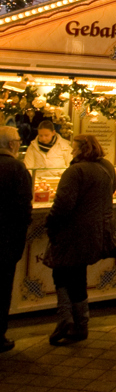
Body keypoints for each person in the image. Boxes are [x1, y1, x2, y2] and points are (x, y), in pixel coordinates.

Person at [44, 134, 116, 346]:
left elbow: (63, 205)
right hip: (95, 231)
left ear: (81, 149)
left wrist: (50, 222)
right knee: (77, 275)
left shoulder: (75, 171)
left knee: (62, 273)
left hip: (71, 233)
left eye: (74, 148)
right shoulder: (106, 167)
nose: (71, 152)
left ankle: (67, 320)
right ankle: (80, 322)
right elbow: (109, 192)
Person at [0, 126, 32, 352]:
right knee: (2, 289)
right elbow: (23, 208)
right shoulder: (17, 168)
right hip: (6, 241)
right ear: (12, 145)